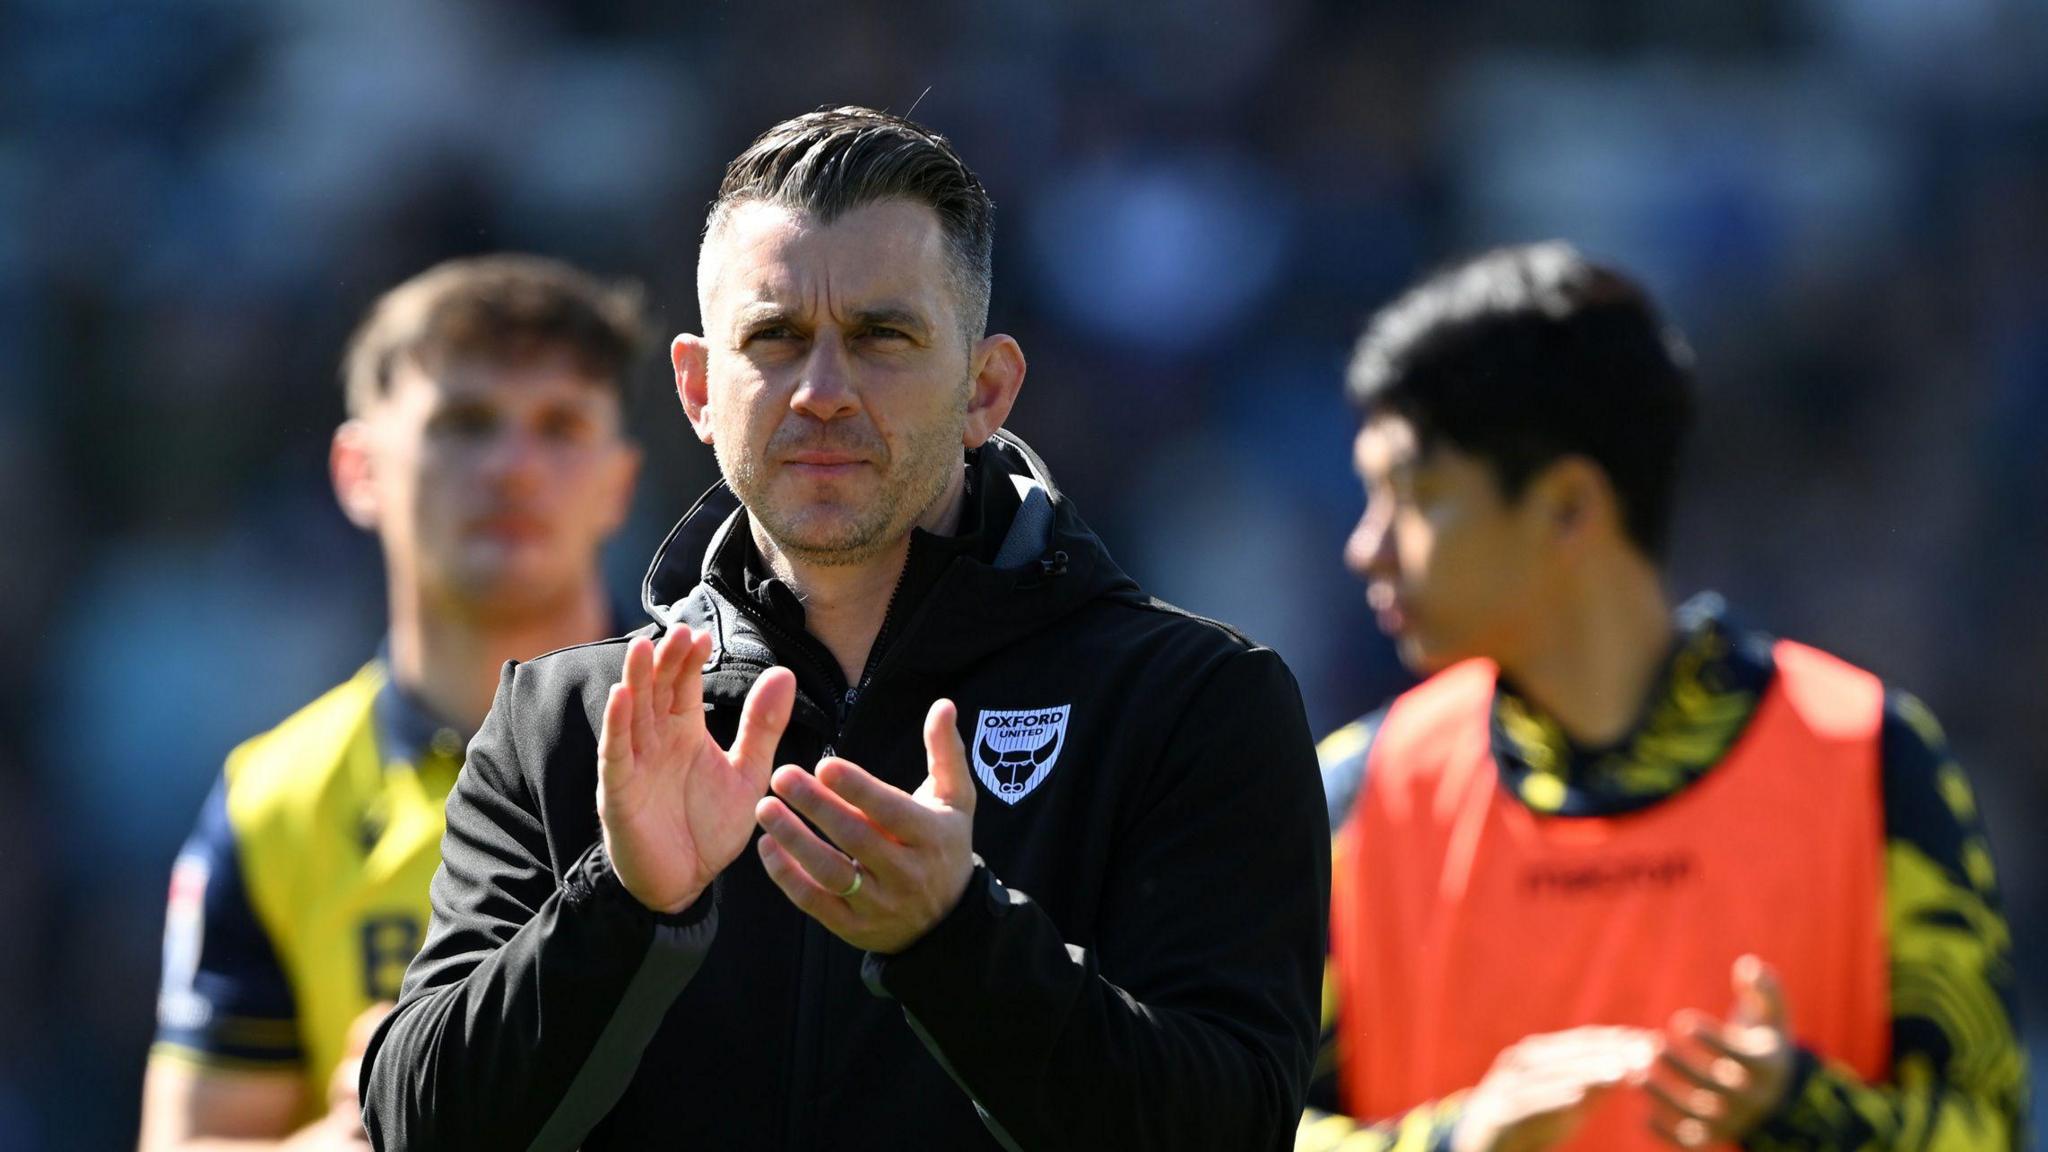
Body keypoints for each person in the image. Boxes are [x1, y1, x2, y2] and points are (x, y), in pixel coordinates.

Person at [358, 106, 1329, 1151]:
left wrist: (955, 943)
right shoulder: (565, 720)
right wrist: (624, 907)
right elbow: (418, 1130)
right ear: (695, 388)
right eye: (773, 339)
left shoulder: (1192, 703)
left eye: (881, 337)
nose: (821, 392)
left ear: (985, 388)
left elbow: (1233, 1129)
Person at [1295, 243, 2028, 1152]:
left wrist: (1801, 1112)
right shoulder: (1353, 798)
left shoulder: (1872, 759)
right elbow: (1229, 1127)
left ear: (1569, 505)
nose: (1367, 548)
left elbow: (1991, 1128)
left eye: (1416, 495)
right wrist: (1454, 1143)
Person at [139, 255, 646, 1150]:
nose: (515, 468)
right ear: (358, 469)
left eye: (560, 425)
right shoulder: (275, 803)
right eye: (465, 423)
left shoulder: (732, 744)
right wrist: (364, 1134)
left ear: (619, 483)